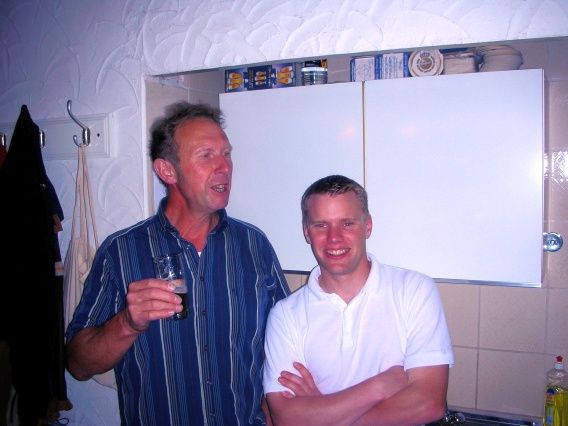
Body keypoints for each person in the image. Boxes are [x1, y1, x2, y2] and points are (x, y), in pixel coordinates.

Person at [66, 101, 291, 426]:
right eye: (206, 155)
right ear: (167, 171)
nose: (224, 166)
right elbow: (78, 365)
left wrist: (274, 412)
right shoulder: (122, 252)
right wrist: (128, 323)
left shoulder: (254, 245)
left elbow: (284, 342)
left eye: (226, 153)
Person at [263, 174, 454, 426]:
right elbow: (286, 418)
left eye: (347, 223)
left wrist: (324, 413)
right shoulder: (285, 315)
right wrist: (378, 387)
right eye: (321, 225)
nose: (334, 237)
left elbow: (428, 404)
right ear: (307, 232)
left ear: (368, 226)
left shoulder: (414, 291)